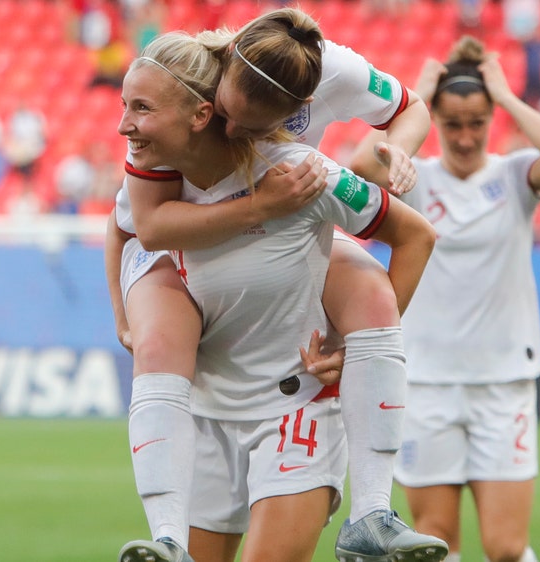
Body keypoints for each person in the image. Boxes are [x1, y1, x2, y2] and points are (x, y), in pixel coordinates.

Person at [106, 8, 447, 562]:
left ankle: (374, 511)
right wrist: (258, 206)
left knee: (370, 294)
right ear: (206, 105)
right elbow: (138, 226)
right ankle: (167, 537)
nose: (234, 130)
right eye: (226, 116)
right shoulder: (168, 103)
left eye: (254, 121)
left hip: (294, 399)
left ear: (300, 111)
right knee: (159, 337)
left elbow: (409, 136)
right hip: (209, 402)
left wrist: (396, 153)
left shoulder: (309, 159)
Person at [382, 35, 540, 562]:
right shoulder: (414, 179)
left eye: (476, 122)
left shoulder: (513, 176)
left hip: (502, 384)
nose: (465, 137)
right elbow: (360, 165)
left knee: (507, 548)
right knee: (435, 539)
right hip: (425, 382)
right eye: (451, 124)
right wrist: (416, 96)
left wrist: (508, 96)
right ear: (436, 123)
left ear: (491, 120)